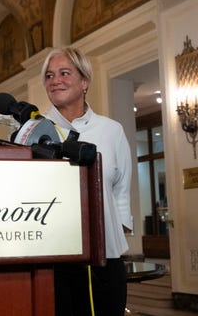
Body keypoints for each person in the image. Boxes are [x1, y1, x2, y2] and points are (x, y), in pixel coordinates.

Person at [41, 47, 132, 316]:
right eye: (49, 75)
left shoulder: (111, 130)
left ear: (84, 81)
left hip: (106, 256)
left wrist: (116, 231)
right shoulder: (34, 131)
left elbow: (121, 189)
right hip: (52, 258)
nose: (55, 80)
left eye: (64, 73)